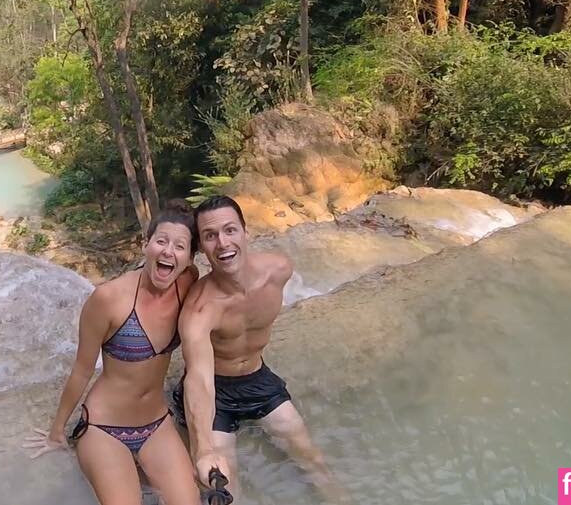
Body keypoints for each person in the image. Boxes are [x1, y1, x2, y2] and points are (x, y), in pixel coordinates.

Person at [25, 201, 202, 505]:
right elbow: (82, 369)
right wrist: (57, 431)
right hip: (105, 428)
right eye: (161, 241)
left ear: (189, 259)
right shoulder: (108, 298)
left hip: (157, 424)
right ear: (145, 244)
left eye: (180, 246)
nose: (168, 252)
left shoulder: (187, 282)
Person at [174, 195, 344, 503]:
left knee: (313, 461)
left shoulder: (278, 270)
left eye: (230, 230)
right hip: (216, 392)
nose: (223, 243)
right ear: (201, 248)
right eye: (210, 236)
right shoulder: (200, 309)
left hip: (258, 378)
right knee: (226, 488)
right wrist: (203, 449)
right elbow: (198, 379)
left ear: (245, 231)